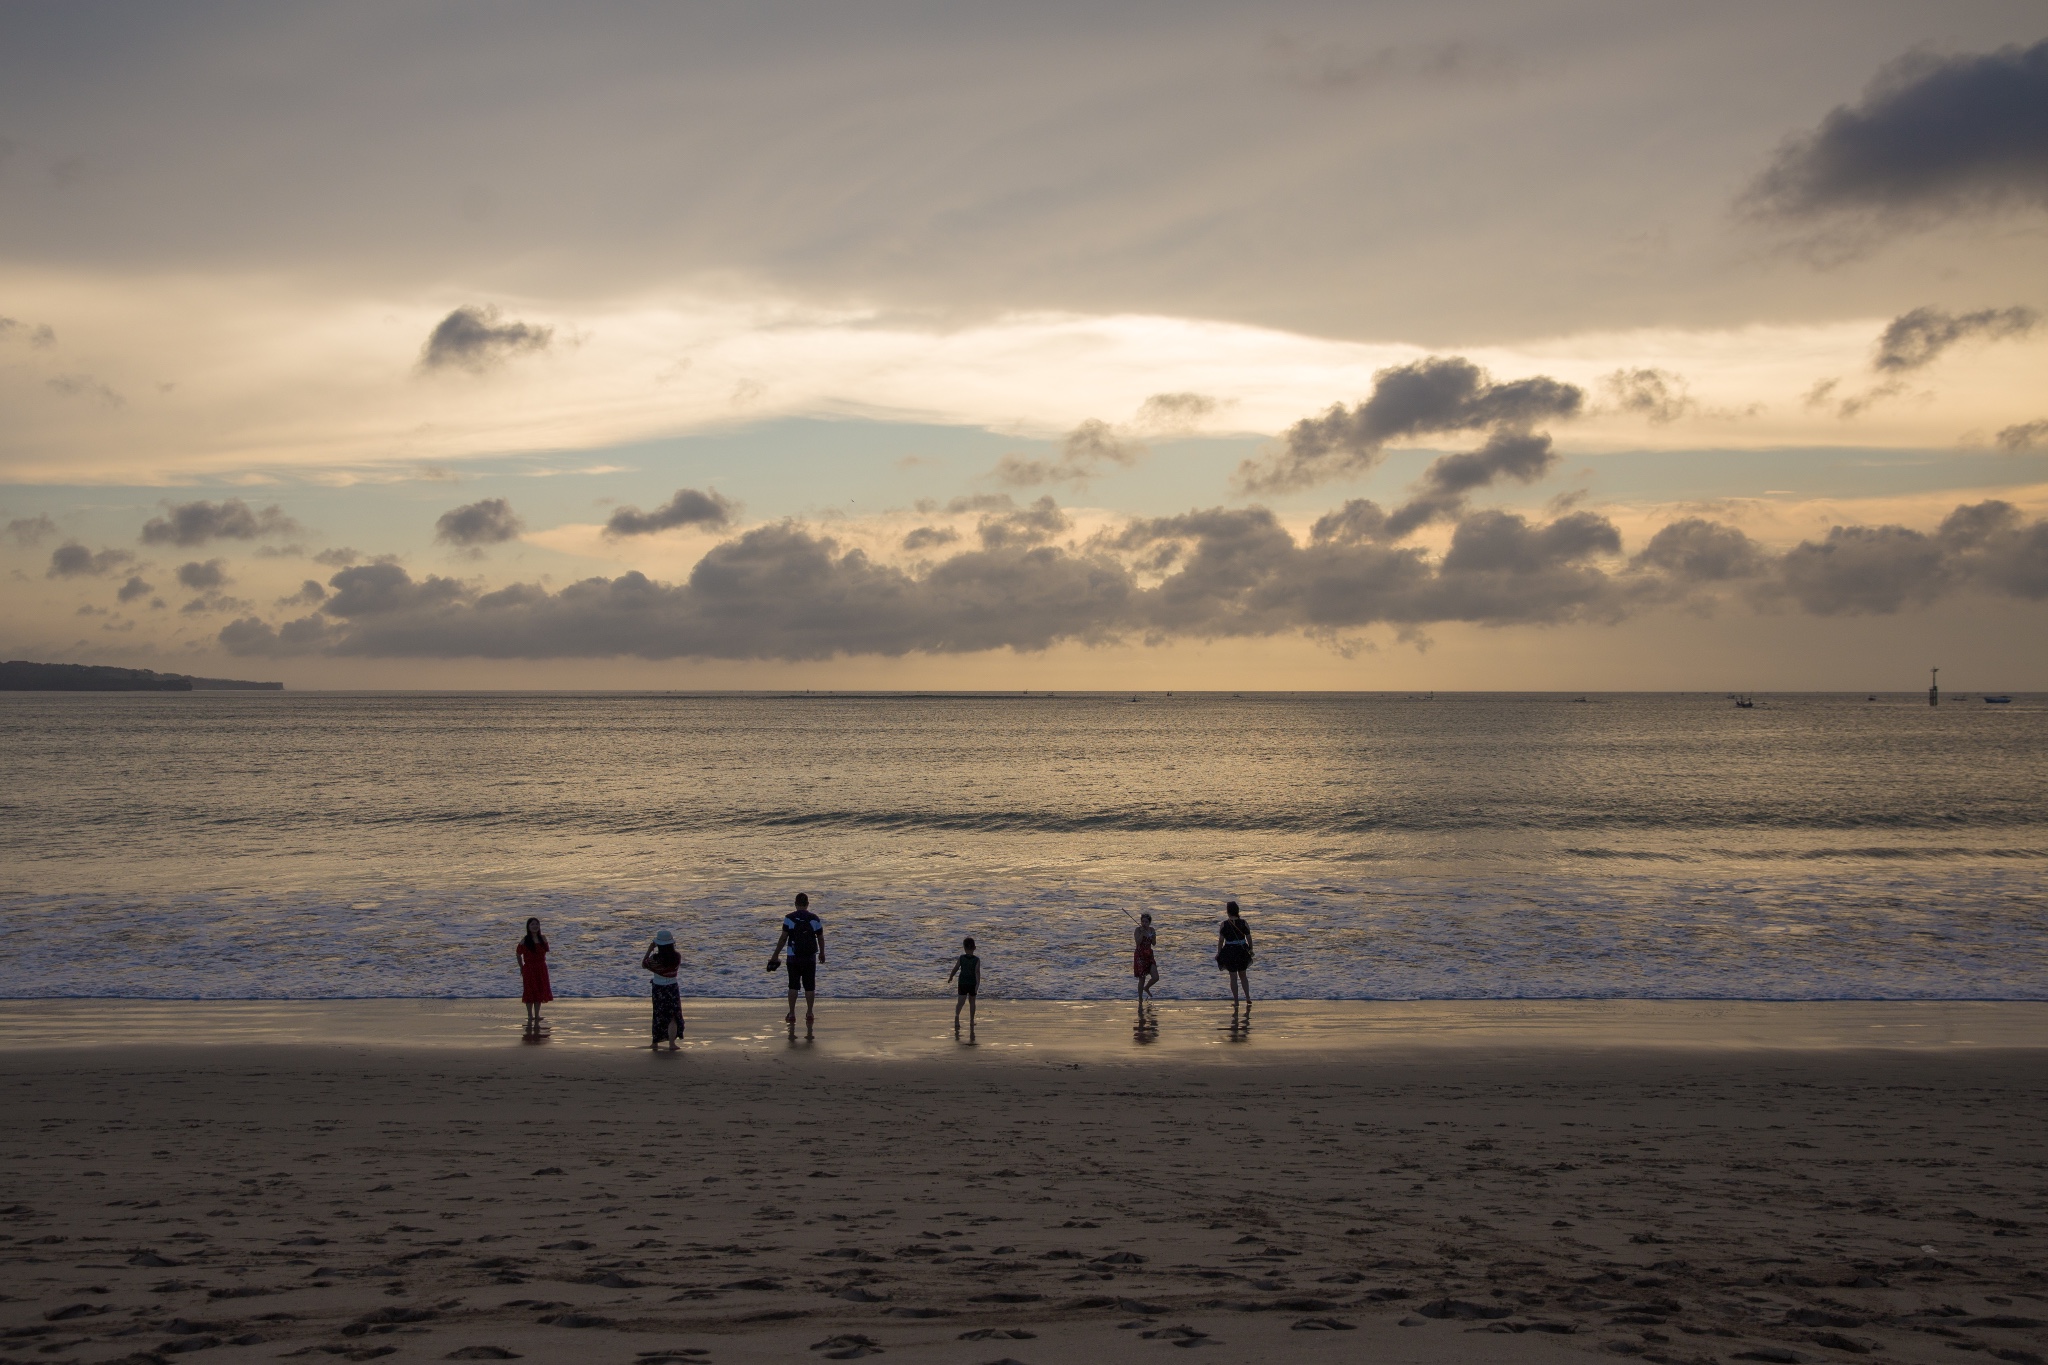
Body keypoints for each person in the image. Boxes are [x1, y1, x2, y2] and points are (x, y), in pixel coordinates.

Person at [768, 892, 825, 1030]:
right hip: (810, 957)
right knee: (809, 986)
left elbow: (783, 938)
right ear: (807, 904)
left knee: (793, 985)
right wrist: (822, 953)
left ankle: (792, 1013)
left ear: (795, 904)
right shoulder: (814, 918)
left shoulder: (789, 918)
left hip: (793, 957)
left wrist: (775, 955)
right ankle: (810, 1013)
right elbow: (820, 937)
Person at [642, 928, 683, 1051]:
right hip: (672, 987)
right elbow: (669, 971)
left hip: (658, 988)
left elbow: (644, 964)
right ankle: (672, 1044)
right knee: (673, 1016)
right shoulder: (676, 957)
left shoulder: (655, 959)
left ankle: (655, 1042)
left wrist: (649, 949)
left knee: (658, 1014)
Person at [516, 918, 551, 1030]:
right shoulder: (525, 940)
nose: (535, 926)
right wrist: (521, 967)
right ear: (528, 927)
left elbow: (545, 951)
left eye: (537, 924)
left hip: (541, 967)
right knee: (530, 991)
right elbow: (518, 953)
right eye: (532, 924)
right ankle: (530, 1015)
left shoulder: (543, 938)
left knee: (540, 990)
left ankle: (537, 1015)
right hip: (529, 968)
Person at [1216, 900, 1254, 1004]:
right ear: (1237, 910)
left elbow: (1221, 941)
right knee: (1243, 976)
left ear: (1228, 911)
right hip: (1242, 951)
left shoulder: (1224, 924)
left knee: (1233, 977)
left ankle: (1236, 1001)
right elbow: (1249, 938)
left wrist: (1219, 953)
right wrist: (1251, 949)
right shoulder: (1243, 922)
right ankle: (1248, 998)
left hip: (1229, 951)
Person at [945, 936, 981, 1031]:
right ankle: (972, 1020)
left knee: (960, 1002)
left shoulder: (961, 958)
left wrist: (951, 977)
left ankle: (957, 1017)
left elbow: (956, 968)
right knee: (972, 1002)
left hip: (962, 983)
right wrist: (977, 984)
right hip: (972, 983)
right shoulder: (976, 960)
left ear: (964, 948)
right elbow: (977, 972)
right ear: (974, 948)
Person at [1132, 912, 1159, 1001]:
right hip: (1140, 955)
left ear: (1149, 922)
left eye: (1146, 922)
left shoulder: (1152, 930)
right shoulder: (1138, 930)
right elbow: (1138, 942)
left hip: (1149, 955)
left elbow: (1154, 943)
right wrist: (1142, 934)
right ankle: (1140, 998)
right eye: (1143, 921)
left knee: (1155, 977)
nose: (1144, 923)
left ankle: (1147, 987)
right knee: (1142, 979)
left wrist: (1153, 937)